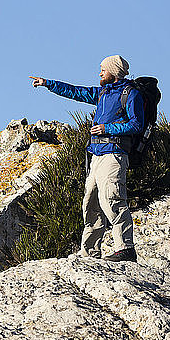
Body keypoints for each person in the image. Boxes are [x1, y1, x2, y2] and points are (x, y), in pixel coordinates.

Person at [29, 55, 143, 262]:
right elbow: (76, 92)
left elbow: (136, 125)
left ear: (114, 72)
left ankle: (125, 248)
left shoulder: (131, 94)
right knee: (90, 204)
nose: (100, 72)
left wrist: (107, 128)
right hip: (97, 156)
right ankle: (89, 252)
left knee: (112, 200)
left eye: (103, 69)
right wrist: (48, 84)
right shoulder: (102, 93)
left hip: (114, 155)